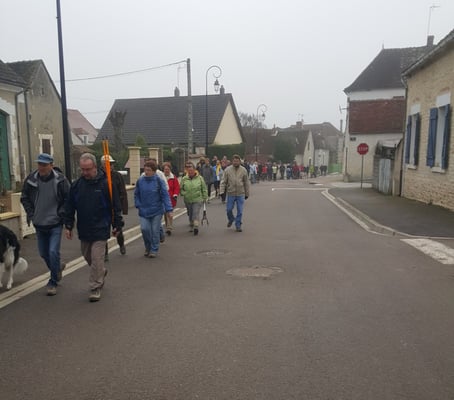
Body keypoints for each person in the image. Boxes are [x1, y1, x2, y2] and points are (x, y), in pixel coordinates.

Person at [64, 153, 123, 302]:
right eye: (82, 169)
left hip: (101, 227)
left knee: (97, 258)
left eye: (88, 169)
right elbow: (69, 207)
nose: (85, 172)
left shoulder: (106, 184)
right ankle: (101, 272)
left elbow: (115, 205)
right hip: (84, 227)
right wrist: (68, 225)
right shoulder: (76, 186)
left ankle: (95, 286)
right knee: (88, 256)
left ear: (95, 167)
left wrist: (117, 224)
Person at [20, 153, 70, 296]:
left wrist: (62, 215)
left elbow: (68, 199)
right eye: (39, 164)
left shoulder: (61, 180)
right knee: (43, 253)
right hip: (39, 223)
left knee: (53, 252)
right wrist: (31, 214)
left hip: (55, 223)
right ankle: (57, 267)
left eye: (44, 165)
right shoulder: (31, 180)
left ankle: (53, 282)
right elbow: (24, 197)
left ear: (51, 165)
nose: (41, 167)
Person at [134, 160, 173, 257]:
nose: (146, 172)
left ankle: (154, 250)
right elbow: (136, 194)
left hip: (157, 210)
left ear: (154, 171)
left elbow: (165, 196)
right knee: (145, 229)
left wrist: (169, 209)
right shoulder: (140, 181)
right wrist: (138, 204)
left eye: (149, 170)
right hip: (144, 210)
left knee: (155, 231)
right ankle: (148, 247)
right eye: (145, 170)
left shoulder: (159, 181)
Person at [100, 155, 128, 261]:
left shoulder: (117, 176)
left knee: (118, 228)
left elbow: (123, 192)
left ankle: (121, 244)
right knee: (104, 231)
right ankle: (105, 253)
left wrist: (123, 208)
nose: (111, 166)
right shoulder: (99, 176)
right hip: (104, 208)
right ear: (103, 165)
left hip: (116, 207)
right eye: (109, 164)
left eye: (112, 164)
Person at [220, 154, 250, 232]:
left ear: (240, 162)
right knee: (229, 210)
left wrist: (247, 193)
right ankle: (231, 219)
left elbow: (246, 182)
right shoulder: (227, 170)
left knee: (240, 211)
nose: (236, 162)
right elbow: (223, 181)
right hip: (231, 193)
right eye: (234, 161)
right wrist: (222, 191)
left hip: (240, 193)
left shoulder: (243, 170)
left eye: (237, 161)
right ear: (232, 161)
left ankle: (238, 225)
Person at [180, 161, 207, 236]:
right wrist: (184, 193)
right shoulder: (184, 179)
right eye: (189, 171)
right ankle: (191, 223)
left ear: (195, 170)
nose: (190, 172)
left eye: (192, 170)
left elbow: (204, 188)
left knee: (195, 212)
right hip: (188, 199)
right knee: (190, 213)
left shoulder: (200, 178)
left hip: (197, 199)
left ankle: (196, 226)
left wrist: (205, 197)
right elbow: (181, 189)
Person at [162, 161, 180, 235]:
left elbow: (177, 187)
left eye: (168, 169)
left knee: (169, 213)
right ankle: (168, 225)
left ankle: (169, 227)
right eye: (165, 169)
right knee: (165, 213)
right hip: (163, 198)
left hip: (171, 198)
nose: (166, 170)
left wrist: (175, 194)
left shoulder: (173, 178)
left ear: (170, 169)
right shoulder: (161, 177)